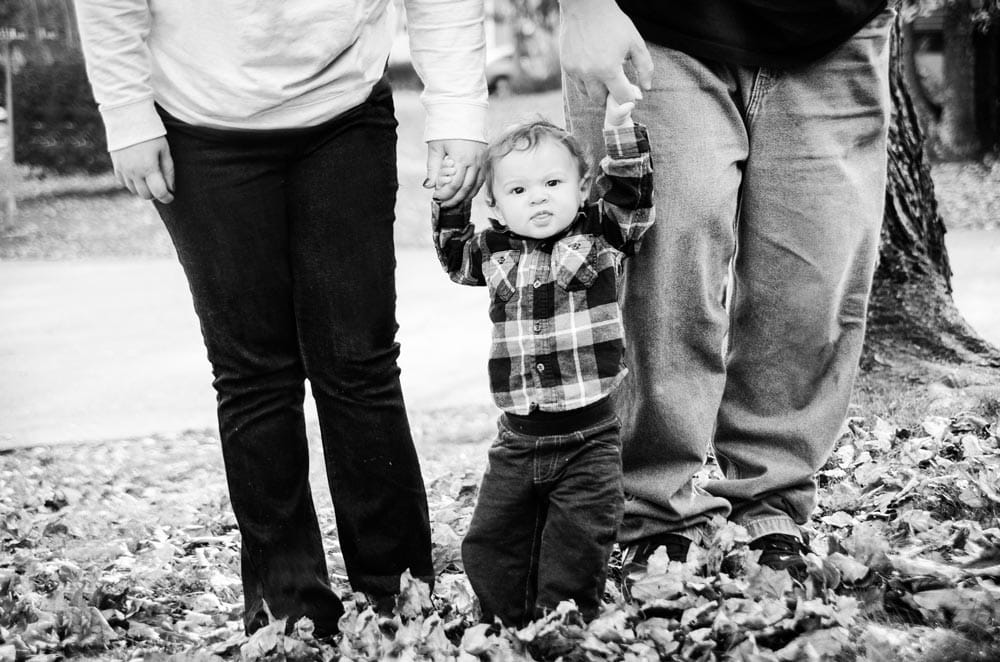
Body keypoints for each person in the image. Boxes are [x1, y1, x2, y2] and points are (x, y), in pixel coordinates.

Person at [74, 0, 488, 637]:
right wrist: (127, 114)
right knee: (253, 370)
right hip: (202, 122)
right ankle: (289, 613)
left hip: (345, 110)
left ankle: (398, 597)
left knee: (359, 361)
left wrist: (459, 111)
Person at [558, 0, 894, 580]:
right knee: (659, 280)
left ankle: (771, 504)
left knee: (813, 288)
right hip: (650, 28)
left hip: (833, 29)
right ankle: (654, 514)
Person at [431, 92, 653, 625]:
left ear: (582, 187)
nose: (538, 199)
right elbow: (453, 254)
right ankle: (505, 628)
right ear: (495, 206)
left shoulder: (599, 234)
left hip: (589, 438)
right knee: (492, 543)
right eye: (518, 190)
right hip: (517, 440)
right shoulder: (493, 251)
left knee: (576, 544)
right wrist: (449, 198)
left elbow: (633, 201)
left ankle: (562, 629)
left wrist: (620, 129)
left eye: (553, 183)